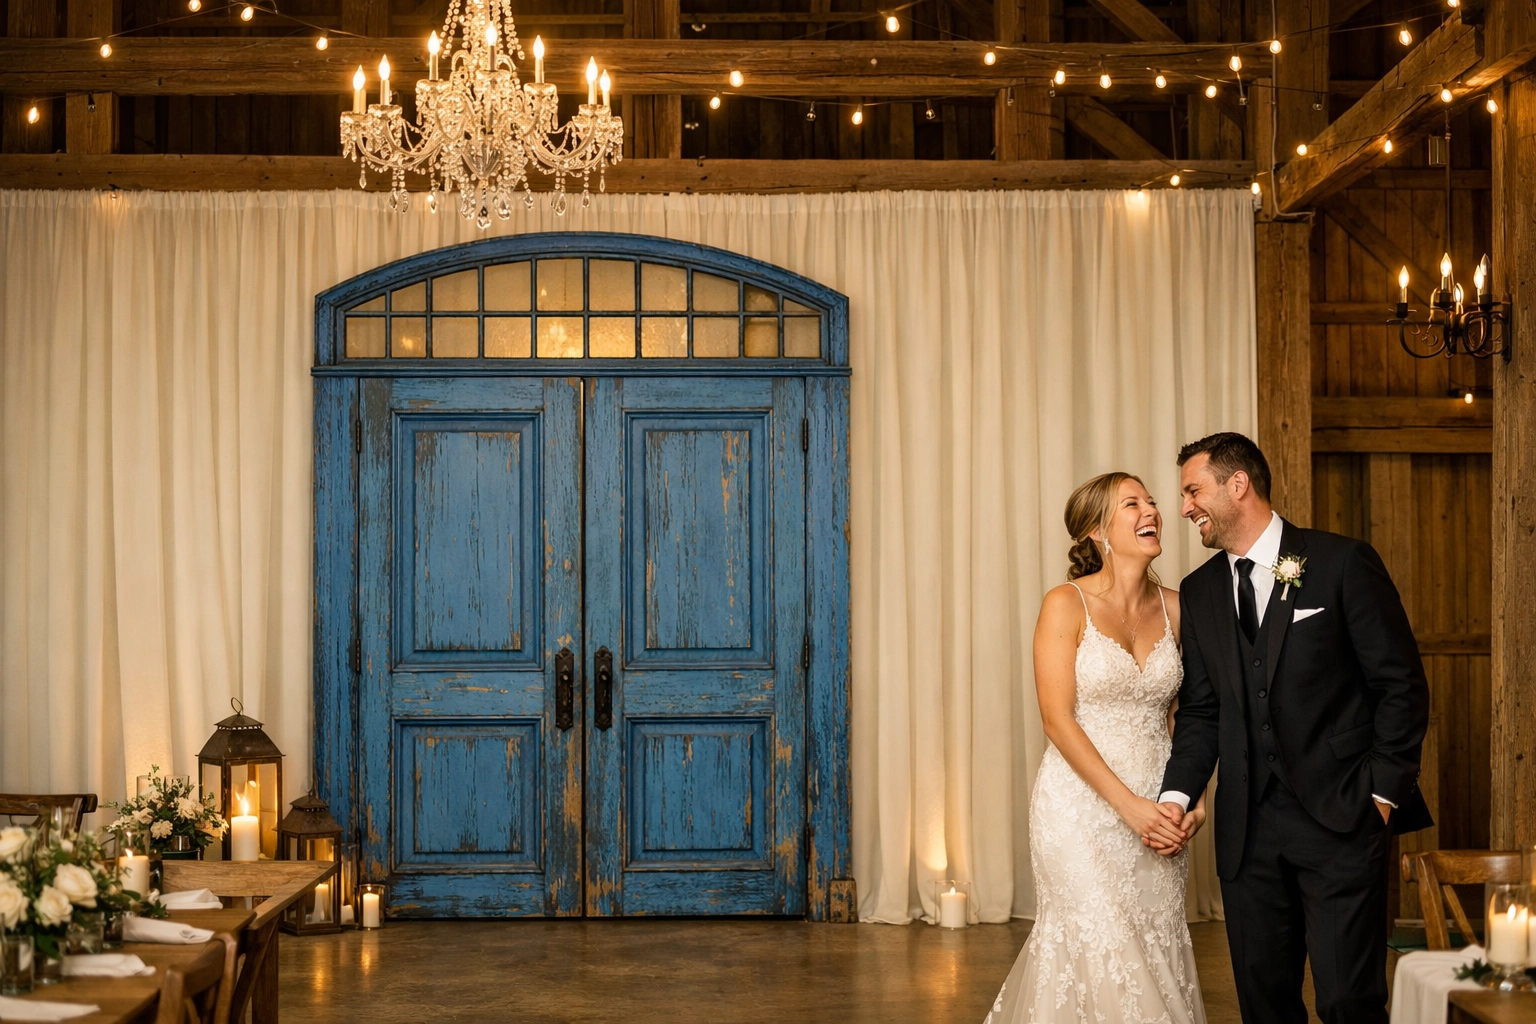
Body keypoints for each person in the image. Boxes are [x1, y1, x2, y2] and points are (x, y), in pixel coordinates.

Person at [1153, 432, 1431, 1024]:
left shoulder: (1341, 562)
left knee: (1347, 1001)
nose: (1184, 508)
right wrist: (1177, 795)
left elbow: (1400, 686)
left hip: (1343, 817)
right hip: (1247, 833)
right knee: (1265, 1005)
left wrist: (1382, 795)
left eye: (1193, 490)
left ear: (1238, 485)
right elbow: (1202, 711)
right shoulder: (1200, 591)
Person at [985, 472, 1206, 1024]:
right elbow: (1057, 721)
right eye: (1132, 504)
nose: (1151, 510)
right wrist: (1127, 806)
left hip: (1161, 809)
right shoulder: (1065, 604)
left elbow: (1195, 716)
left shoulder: (1180, 608)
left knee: (1151, 948)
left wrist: (1194, 799)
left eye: (1151, 502)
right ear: (1095, 531)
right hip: (1080, 810)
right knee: (1101, 946)